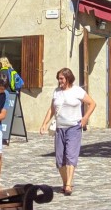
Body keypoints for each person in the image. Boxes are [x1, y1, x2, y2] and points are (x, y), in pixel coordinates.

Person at [39, 68, 95, 196]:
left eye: (62, 79)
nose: (60, 81)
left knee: (70, 155)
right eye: (59, 79)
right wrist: (44, 124)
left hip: (74, 127)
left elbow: (92, 103)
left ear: (68, 78)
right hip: (60, 128)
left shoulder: (77, 91)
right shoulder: (57, 92)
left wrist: (85, 118)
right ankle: (65, 182)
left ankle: (69, 184)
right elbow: (52, 109)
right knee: (59, 159)